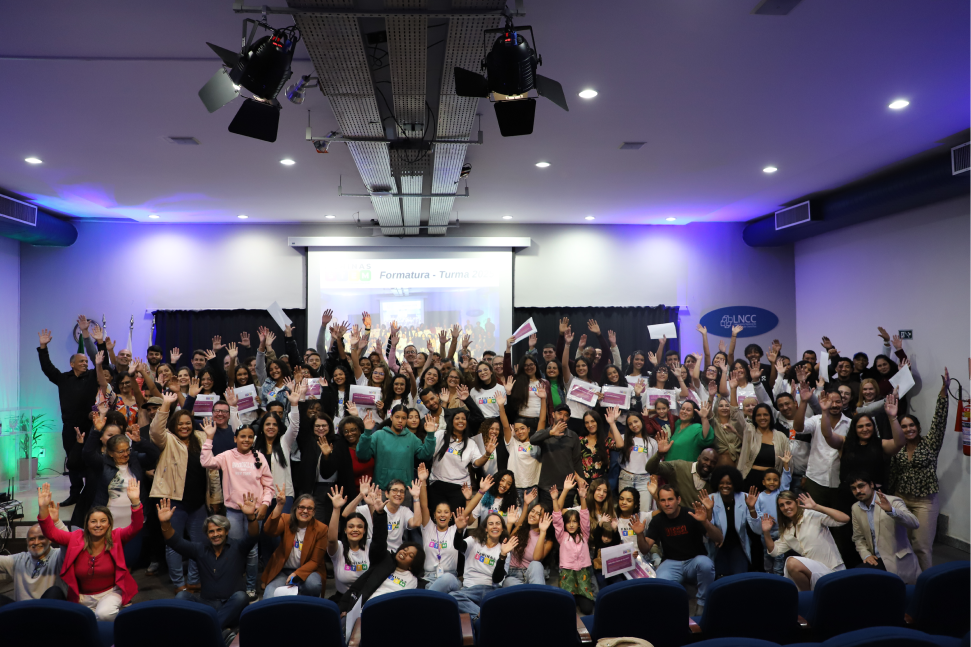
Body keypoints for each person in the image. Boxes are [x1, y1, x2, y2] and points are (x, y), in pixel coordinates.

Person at [37, 478, 143, 621]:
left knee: (104, 614)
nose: (98, 525)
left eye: (103, 521)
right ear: (87, 525)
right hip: (82, 597)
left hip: (110, 593)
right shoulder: (75, 538)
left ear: (109, 524)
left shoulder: (116, 536)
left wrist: (135, 502)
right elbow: (51, 534)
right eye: (93, 521)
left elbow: (136, 527)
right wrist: (43, 508)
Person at [149, 391, 223, 593]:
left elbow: (213, 469)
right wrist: (165, 404)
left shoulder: (201, 437)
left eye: (188, 423)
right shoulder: (167, 440)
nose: (184, 426)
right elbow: (155, 431)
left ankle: (193, 580)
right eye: (180, 423)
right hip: (173, 503)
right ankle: (178, 583)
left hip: (199, 503)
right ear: (174, 425)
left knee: (199, 544)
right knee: (174, 544)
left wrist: (216, 498)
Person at [159, 495, 259, 639]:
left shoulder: (238, 547)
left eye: (219, 530)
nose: (215, 534)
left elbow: (253, 536)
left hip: (230, 605)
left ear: (226, 531)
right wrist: (165, 523)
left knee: (241, 597)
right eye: (211, 531)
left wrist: (250, 517)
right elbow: (175, 542)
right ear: (207, 535)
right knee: (181, 596)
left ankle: (203, 632)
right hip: (206, 605)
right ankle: (219, 630)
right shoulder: (200, 550)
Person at [200, 419, 275, 600]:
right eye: (243, 436)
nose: (246, 440)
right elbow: (206, 462)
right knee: (233, 550)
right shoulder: (227, 456)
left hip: (255, 512)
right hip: (233, 512)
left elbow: (269, 485)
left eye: (250, 437)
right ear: (235, 439)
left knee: (252, 551)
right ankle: (233, 586)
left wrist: (265, 504)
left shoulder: (259, 456)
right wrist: (209, 438)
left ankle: (250, 587)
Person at [889, 369, 949, 571]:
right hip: (901, 499)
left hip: (925, 502)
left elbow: (939, 421)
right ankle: (907, 583)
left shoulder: (930, 444)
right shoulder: (896, 446)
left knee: (922, 547)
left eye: (911, 425)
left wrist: (943, 392)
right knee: (901, 546)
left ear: (918, 427)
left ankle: (927, 584)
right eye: (903, 427)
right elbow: (892, 473)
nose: (908, 429)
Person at [37, 326, 101, 506]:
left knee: (89, 460)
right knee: (72, 461)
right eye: (81, 361)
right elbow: (47, 368)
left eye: (86, 362)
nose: (85, 364)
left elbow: (101, 362)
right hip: (70, 428)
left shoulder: (92, 376)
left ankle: (91, 493)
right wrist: (43, 347)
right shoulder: (63, 378)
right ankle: (75, 493)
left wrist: (100, 343)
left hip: (90, 426)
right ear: (72, 364)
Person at [638, 485, 720, 615]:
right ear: (659, 502)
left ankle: (702, 604)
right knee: (659, 583)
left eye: (670, 499)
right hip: (671, 562)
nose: (667, 504)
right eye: (663, 500)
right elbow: (645, 549)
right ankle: (673, 613)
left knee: (706, 563)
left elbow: (718, 537)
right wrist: (639, 534)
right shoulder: (657, 520)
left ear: (678, 500)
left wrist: (705, 522)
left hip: (694, 560)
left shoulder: (691, 515)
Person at [428, 511, 518, 621]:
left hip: (491, 590)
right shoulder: (474, 541)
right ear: (485, 529)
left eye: (498, 523)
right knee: (452, 597)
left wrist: (502, 556)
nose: (494, 526)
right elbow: (458, 546)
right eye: (491, 523)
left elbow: (497, 579)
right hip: (469, 590)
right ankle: (483, 615)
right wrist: (459, 530)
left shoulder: (505, 549)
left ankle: (478, 615)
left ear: (502, 528)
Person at [761, 491, 849, 591]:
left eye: (789, 503)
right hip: (814, 574)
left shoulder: (811, 515)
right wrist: (766, 532)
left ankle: (807, 596)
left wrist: (817, 507)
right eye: (782, 505)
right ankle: (807, 597)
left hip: (833, 570)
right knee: (791, 569)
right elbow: (774, 551)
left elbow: (844, 519)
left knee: (792, 563)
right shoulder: (787, 531)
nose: (786, 507)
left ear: (797, 502)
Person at [847, 473, 921, 584]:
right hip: (876, 560)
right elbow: (858, 538)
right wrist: (866, 555)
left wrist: (892, 511)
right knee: (855, 579)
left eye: (861, 486)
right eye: (854, 488)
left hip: (897, 560)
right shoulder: (855, 508)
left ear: (871, 484)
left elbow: (914, 523)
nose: (858, 491)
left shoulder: (892, 501)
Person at [0, 491, 68, 606]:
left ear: (50, 539)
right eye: (32, 539)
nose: (36, 542)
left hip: (48, 614)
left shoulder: (58, 557)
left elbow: (68, 544)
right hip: (22, 613)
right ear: (27, 542)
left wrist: (56, 522)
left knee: (54, 592)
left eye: (41, 538)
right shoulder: (19, 559)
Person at [261, 487, 328, 598]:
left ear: (314, 512)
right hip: (283, 570)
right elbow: (269, 530)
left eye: (309, 508)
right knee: (268, 597)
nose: (305, 511)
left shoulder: (321, 529)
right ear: (295, 509)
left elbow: (315, 561)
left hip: (309, 572)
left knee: (313, 585)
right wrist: (279, 506)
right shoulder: (285, 519)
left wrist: (298, 573)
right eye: (301, 507)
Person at [325, 484, 387, 604]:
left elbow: (380, 535)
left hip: (366, 598)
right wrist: (336, 509)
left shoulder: (370, 545)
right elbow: (331, 539)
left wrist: (375, 510)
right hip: (343, 599)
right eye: (351, 526)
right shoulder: (339, 548)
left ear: (364, 531)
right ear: (345, 530)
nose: (355, 529)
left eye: (359, 527)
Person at [416, 463, 466, 585]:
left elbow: (468, 513)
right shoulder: (428, 528)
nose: (442, 515)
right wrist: (423, 481)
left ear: (450, 516)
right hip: (428, 578)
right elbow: (424, 506)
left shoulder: (456, 529)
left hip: (451, 578)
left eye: (446, 512)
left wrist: (478, 493)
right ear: (434, 515)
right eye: (439, 512)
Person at [744, 452, 793, 574]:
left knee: (779, 557)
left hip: (780, 532)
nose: (772, 482)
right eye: (769, 480)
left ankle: (778, 575)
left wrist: (785, 464)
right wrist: (765, 519)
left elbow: (786, 481)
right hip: (766, 533)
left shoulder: (780, 493)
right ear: (763, 482)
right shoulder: (760, 497)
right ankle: (768, 574)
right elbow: (757, 512)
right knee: (767, 555)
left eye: (775, 480)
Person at [552, 483, 595, 614]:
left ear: (578, 524)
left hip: (583, 572)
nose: (571, 524)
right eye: (568, 521)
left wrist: (583, 498)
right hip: (567, 573)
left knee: (587, 610)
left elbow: (585, 517)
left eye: (574, 521)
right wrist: (554, 499)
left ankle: (579, 597)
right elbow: (557, 519)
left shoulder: (584, 535)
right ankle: (572, 597)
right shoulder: (561, 536)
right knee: (566, 607)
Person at [646, 431, 717, 509]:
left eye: (713, 462)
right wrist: (659, 454)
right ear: (699, 458)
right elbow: (650, 468)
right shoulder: (679, 467)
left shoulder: (714, 481)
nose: (708, 464)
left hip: (698, 519)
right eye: (705, 459)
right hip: (676, 517)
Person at [607, 407, 658, 508]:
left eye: (636, 421)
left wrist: (654, 484)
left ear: (642, 421)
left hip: (645, 480)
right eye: (630, 424)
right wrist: (613, 422)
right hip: (626, 478)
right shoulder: (624, 438)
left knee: (644, 512)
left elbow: (655, 466)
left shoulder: (652, 442)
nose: (634, 425)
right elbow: (610, 439)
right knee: (625, 511)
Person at [531, 417, 584, 509]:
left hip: (567, 488)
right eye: (559, 413)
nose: (562, 417)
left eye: (566, 414)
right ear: (553, 414)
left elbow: (576, 461)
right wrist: (551, 433)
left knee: (565, 520)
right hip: (547, 488)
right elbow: (532, 440)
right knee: (547, 519)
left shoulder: (573, 436)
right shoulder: (545, 433)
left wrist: (580, 479)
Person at [707, 466, 750, 577]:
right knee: (720, 578)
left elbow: (757, 529)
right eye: (721, 483)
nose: (725, 486)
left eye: (729, 483)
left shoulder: (745, 498)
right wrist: (708, 510)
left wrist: (753, 509)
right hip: (717, 547)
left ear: (735, 483)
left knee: (740, 577)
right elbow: (706, 530)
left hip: (738, 545)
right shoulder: (709, 499)